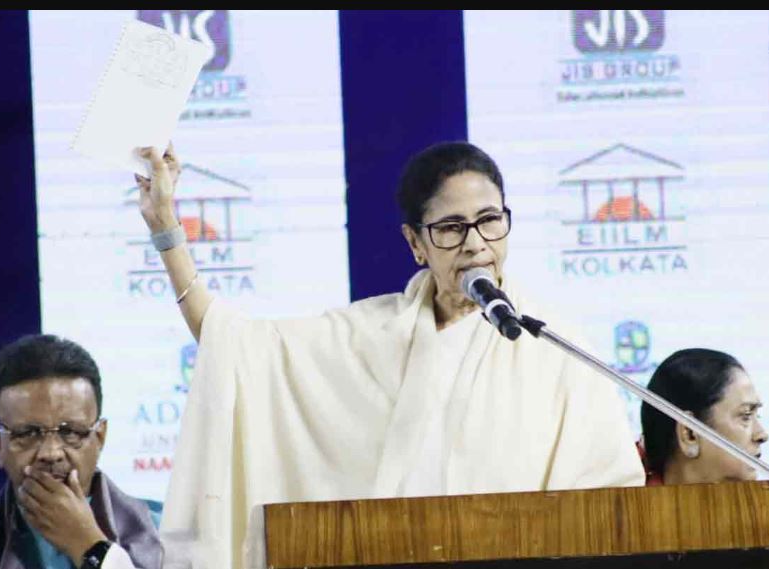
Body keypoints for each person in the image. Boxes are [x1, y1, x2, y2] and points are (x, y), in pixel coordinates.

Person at [134, 141, 645, 568]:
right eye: (451, 228)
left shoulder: (557, 350)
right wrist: (165, 228)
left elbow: (610, 506)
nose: (475, 244)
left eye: (490, 220)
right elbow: (233, 347)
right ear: (416, 242)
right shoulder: (368, 335)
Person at [0, 335, 164, 568]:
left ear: (100, 437)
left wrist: (89, 545)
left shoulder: (166, 536)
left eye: (70, 431)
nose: (51, 453)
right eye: (28, 433)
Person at [639, 348, 767, 485]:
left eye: (756, 416)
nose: (762, 435)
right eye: (746, 415)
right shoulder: (629, 496)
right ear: (690, 434)